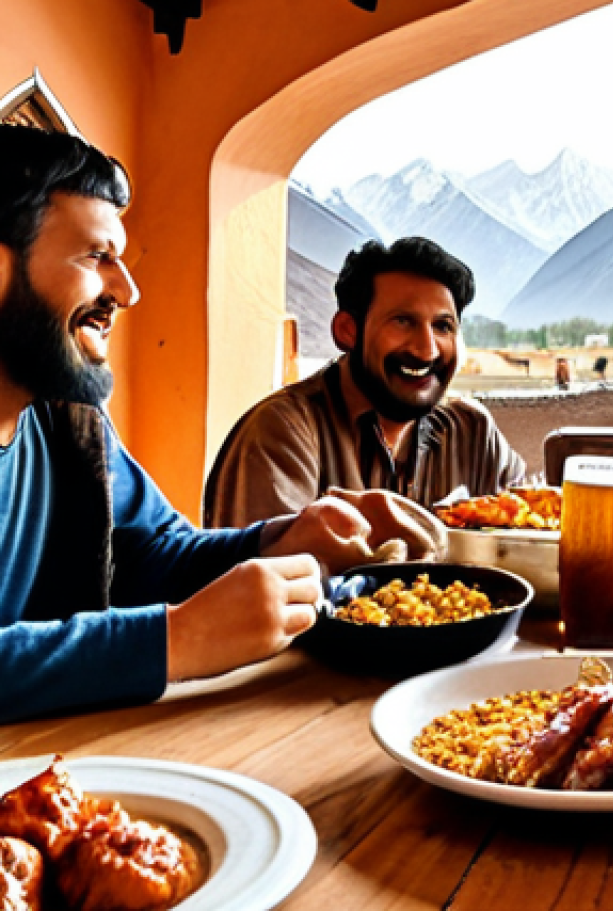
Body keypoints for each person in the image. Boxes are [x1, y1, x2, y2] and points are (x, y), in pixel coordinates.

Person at [0, 126, 429, 724]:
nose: (127, 291)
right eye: (96, 257)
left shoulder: (68, 422)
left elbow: (153, 554)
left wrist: (282, 539)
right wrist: (177, 640)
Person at [203, 237, 525, 528]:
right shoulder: (281, 434)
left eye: (442, 326)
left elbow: (533, 537)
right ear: (347, 330)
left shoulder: (472, 434)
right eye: (403, 321)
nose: (426, 349)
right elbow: (270, 583)